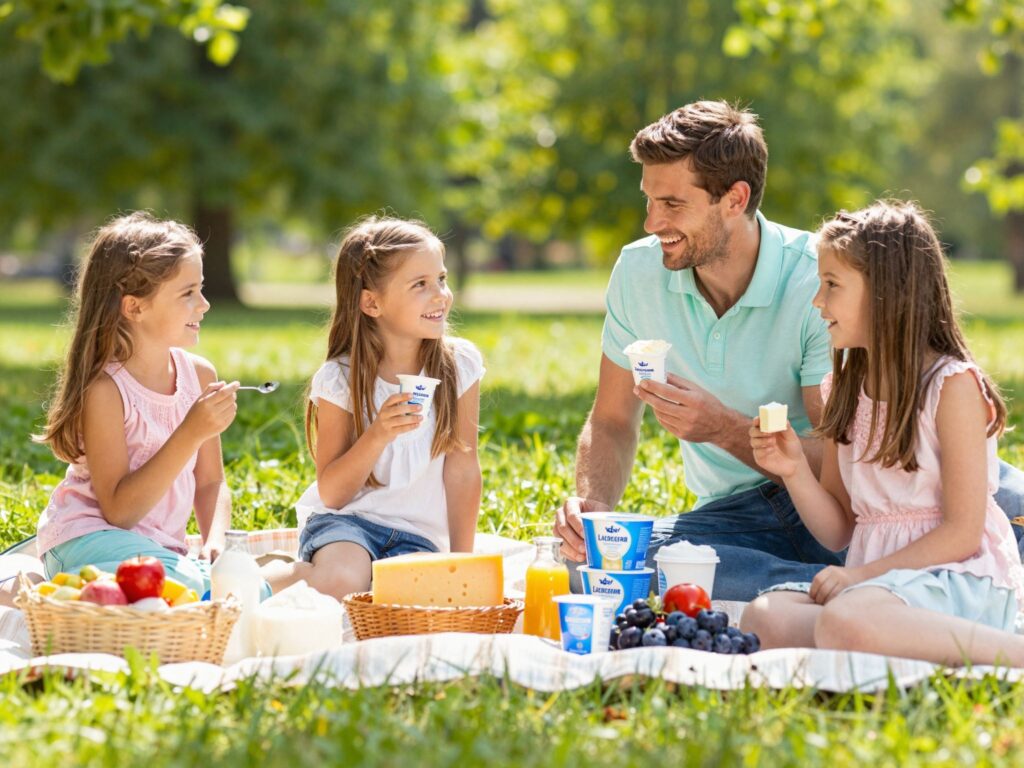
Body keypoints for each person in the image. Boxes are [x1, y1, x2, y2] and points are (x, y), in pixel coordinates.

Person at [553, 100, 1024, 601]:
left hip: (889, 488)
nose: (651, 222)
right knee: (604, 570)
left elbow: (852, 459)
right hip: (749, 513)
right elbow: (611, 420)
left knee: (998, 514)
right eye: (648, 200)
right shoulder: (637, 273)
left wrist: (724, 428)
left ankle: (865, 591)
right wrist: (595, 504)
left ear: (735, 198)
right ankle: (833, 594)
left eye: (672, 204)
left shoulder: (827, 282)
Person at [740, 202, 1024, 666]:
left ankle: (1012, 654)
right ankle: (879, 641)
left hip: (956, 579)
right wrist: (793, 471)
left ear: (887, 294)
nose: (817, 301)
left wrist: (862, 578)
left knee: (846, 621)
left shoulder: (950, 387)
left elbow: (962, 533)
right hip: (876, 591)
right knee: (764, 616)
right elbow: (837, 531)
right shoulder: (846, 389)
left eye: (831, 285)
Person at [264, 216, 484, 601]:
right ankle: (252, 582)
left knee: (412, 599)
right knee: (343, 581)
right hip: (348, 524)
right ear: (371, 302)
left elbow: (463, 469)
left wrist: (461, 564)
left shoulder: (459, 365)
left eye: (442, 279)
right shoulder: (341, 378)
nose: (441, 295)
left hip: (418, 535)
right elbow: (332, 493)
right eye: (421, 284)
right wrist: (378, 434)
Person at [33, 211, 243, 597]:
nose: (205, 304)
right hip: (89, 537)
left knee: (242, 589)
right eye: (188, 293)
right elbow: (119, 512)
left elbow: (211, 482)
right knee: (193, 591)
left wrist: (217, 541)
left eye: (201, 288)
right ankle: (29, 590)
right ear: (134, 307)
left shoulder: (199, 376)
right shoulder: (105, 391)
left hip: (158, 552)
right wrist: (190, 431)